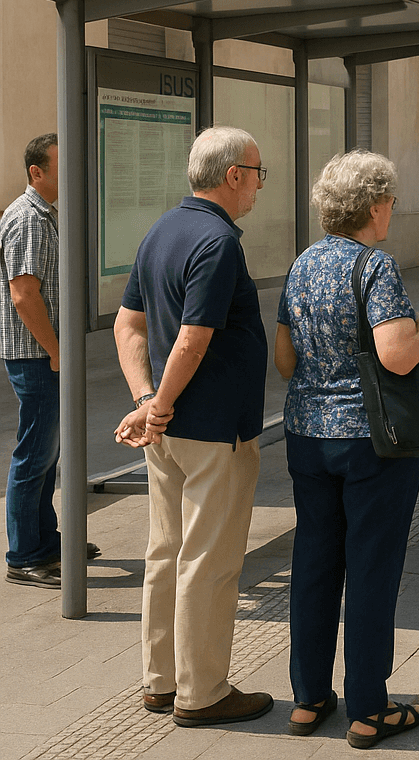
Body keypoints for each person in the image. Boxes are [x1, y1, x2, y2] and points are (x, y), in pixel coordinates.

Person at [112, 126, 273, 727]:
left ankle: (160, 681)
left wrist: (148, 400)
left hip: (168, 431)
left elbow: (127, 326)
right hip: (212, 429)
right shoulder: (219, 242)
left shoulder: (161, 231)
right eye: (257, 172)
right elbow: (195, 336)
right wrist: (156, 404)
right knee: (209, 560)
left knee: (165, 553)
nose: (259, 184)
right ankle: (202, 692)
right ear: (233, 175)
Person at [275, 150, 419, 747]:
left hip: (306, 437)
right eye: (389, 200)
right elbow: (396, 353)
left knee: (314, 565)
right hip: (371, 441)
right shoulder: (376, 266)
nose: (392, 210)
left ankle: (308, 699)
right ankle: (369, 707)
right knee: (370, 569)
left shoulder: (302, 265)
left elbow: (286, 360)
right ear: (373, 206)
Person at [2, 134, 99, 588]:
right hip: (36, 356)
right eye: (61, 165)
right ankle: (24, 556)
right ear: (36, 173)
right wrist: (56, 351)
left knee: (46, 453)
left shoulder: (46, 215)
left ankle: (45, 541)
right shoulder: (28, 219)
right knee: (34, 453)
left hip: (43, 354)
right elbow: (23, 294)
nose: (71, 172)